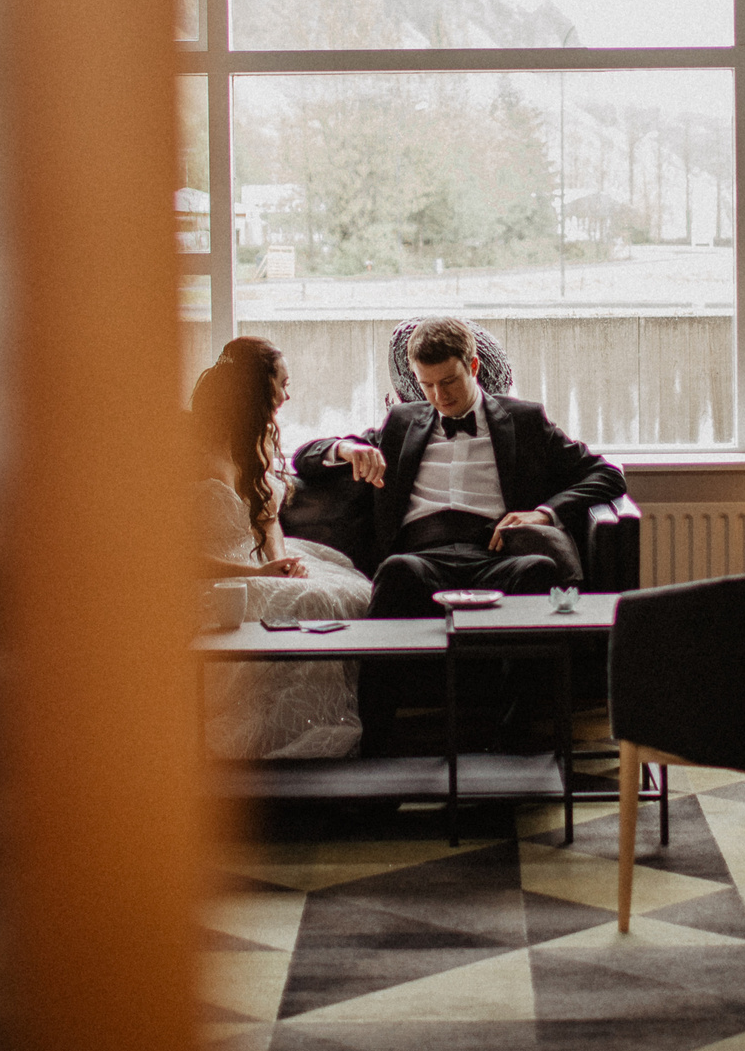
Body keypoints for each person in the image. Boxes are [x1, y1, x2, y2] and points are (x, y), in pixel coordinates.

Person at [295, 316, 626, 619]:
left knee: (538, 570)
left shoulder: (524, 421)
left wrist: (544, 514)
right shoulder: (401, 423)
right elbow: (304, 457)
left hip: (497, 556)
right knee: (396, 572)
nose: (439, 395)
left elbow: (607, 474)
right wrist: (345, 448)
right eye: (427, 385)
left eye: (449, 381)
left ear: (473, 366)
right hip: (421, 558)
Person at [192, 337, 371, 759]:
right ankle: (297, 735)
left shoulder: (257, 439)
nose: (288, 395)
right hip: (214, 583)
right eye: (283, 384)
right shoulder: (190, 451)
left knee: (350, 593)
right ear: (256, 389)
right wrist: (256, 574)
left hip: (259, 564)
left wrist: (279, 562)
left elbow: (267, 519)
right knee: (312, 602)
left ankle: (320, 724)